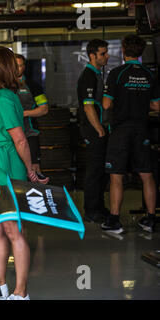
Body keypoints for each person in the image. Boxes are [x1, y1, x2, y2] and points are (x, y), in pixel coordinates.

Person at [0, 46, 43, 301]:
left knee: (13, 230)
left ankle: (21, 292)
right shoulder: (2, 96)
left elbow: (20, 140)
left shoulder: (4, 98)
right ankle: (0, 287)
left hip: (9, 166)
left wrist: (30, 171)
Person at [102, 35, 160, 234]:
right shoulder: (150, 75)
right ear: (142, 51)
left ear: (124, 50)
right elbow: (156, 105)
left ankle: (114, 221)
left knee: (116, 175)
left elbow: (106, 104)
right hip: (142, 129)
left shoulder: (117, 73)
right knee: (146, 174)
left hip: (120, 130)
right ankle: (151, 219)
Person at [76, 39, 110, 224]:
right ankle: (90, 211)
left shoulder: (96, 74)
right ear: (92, 55)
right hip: (93, 130)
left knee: (102, 171)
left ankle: (99, 207)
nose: (107, 56)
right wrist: (99, 129)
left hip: (99, 129)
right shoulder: (88, 75)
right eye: (103, 53)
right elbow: (88, 107)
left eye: (106, 53)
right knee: (94, 171)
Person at [15, 54, 49, 183]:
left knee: (34, 169)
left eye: (21, 65)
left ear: (24, 67)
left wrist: (24, 113)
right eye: (15, 65)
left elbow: (44, 109)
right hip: (12, 135)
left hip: (30, 133)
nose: (18, 68)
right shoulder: (5, 86)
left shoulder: (33, 85)